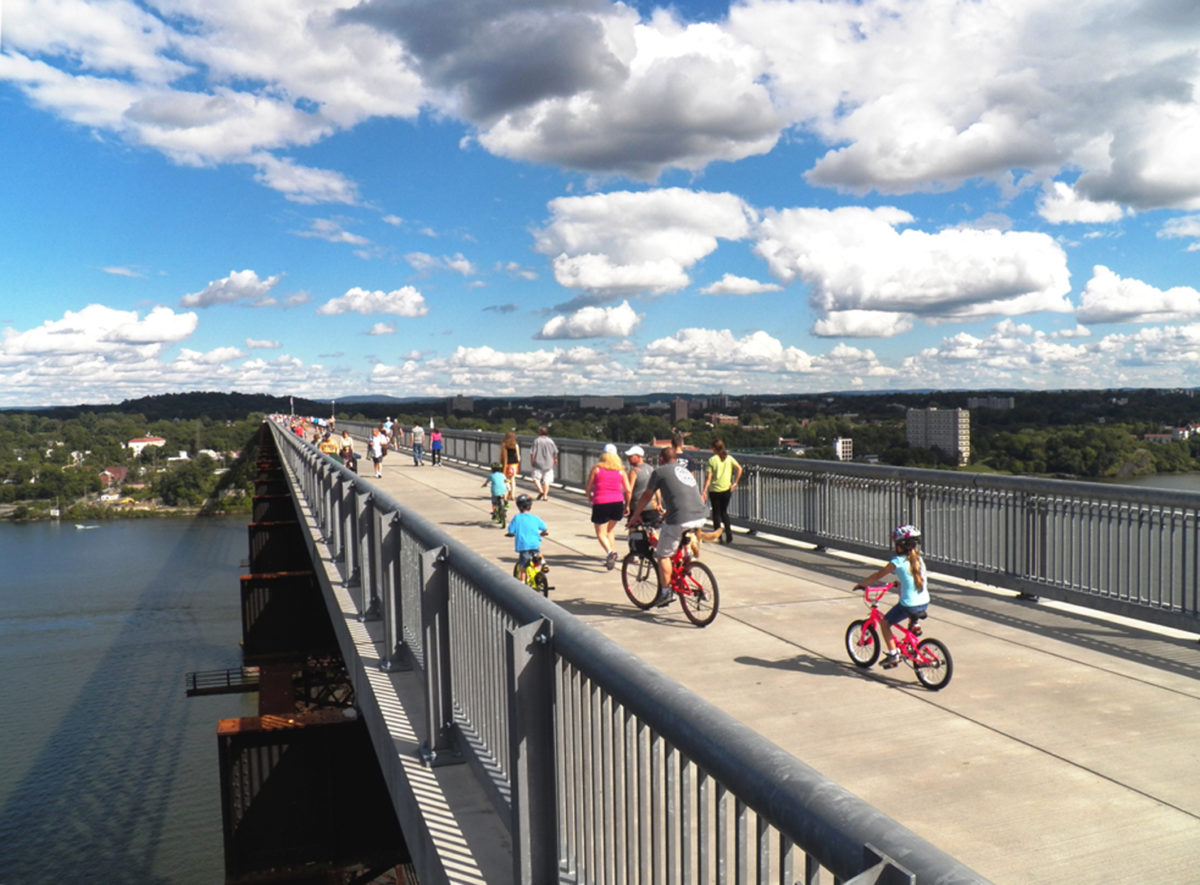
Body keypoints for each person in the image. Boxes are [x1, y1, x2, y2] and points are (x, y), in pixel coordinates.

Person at [628, 446, 708, 604]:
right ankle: (686, 562)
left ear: (661, 459)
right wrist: (664, 516)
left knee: (663, 555)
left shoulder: (659, 471)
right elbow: (679, 498)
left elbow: (646, 495)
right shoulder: (684, 470)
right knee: (678, 541)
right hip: (701, 515)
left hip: (681, 518)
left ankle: (665, 592)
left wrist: (635, 515)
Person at [853, 524, 931, 669]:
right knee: (909, 603)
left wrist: (863, 584)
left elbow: (878, 575)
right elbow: (914, 578)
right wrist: (899, 582)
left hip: (910, 605)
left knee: (885, 623)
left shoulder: (897, 562)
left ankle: (893, 654)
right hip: (925, 602)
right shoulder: (918, 559)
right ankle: (914, 624)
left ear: (900, 546)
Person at [586, 444, 632, 569]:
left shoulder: (597, 469)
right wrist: (627, 505)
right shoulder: (621, 470)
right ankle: (610, 555)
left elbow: (588, 487)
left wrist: (589, 496)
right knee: (610, 530)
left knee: (601, 533)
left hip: (601, 502)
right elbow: (628, 490)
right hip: (617, 503)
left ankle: (611, 553)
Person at [701, 440, 742, 544]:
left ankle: (718, 536)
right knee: (724, 512)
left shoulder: (712, 460)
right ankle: (729, 534)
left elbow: (708, 478)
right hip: (726, 489)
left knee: (716, 513)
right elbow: (739, 469)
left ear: (714, 449)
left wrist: (704, 490)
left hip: (714, 490)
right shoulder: (729, 458)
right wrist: (735, 483)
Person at [506, 493, 549, 578]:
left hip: (523, 545)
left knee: (523, 567)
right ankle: (543, 563)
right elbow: (544, 528)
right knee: (537, 553)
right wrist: (543, 533)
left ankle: (522, 584)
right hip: (534, 543)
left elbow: (511, 530)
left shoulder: (517, 518)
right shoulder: (535, 517)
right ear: (531, 506)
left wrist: (510, 534)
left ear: (518, 507)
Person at [625, 445, 660, 523]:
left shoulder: (634, 471)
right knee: (653, 530)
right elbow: (657, 489)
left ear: (639, 456)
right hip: (652, 507)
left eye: (631, 456)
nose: (628, 458)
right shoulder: (651, 469)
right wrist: (659, 503)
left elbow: (629, 491)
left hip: (637, 507)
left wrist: (627, 506)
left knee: (634, 530)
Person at [528, 426, 559, 500]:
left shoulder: (537, 441)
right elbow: (555, 451)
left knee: (536, 478)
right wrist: (555, 459)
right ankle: (545, 496)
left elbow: (532, 452)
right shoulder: (550, 441)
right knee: (547, 480)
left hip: (538, 462)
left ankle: (540, 490)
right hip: (549, 462)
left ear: (540, 432)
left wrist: (532, 461)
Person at [500, 430, 521, 501]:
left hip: (506, 464)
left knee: (506, 479)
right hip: (513, 465)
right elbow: (518, 457)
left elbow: (501, 456)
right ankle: (512, 495)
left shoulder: (504, 445)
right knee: (513, 479)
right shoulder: (516, 445)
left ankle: (506, 493)